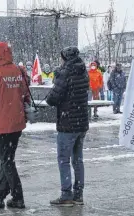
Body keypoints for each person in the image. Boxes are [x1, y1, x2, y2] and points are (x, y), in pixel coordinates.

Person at [0, 42, 30, 209]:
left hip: (0, 125)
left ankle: (18, 196)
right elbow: (25, 96)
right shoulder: (19, 71)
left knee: (7, 161)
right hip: (16, 124)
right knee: (7, 159)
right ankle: (0, 195)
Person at [46, 46, 89, 207]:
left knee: (63, 160)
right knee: (78, 160)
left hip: (67, 123)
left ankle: (66, 195)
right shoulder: (83, 72)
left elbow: (53, 98)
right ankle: (78, 194)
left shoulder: (64, 73)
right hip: (82, 122)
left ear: (65, 58)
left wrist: (57, 78)